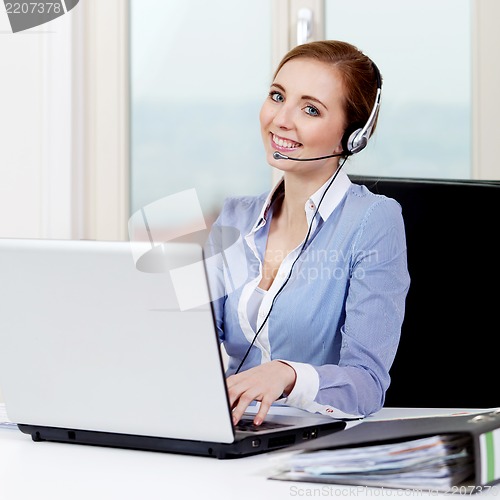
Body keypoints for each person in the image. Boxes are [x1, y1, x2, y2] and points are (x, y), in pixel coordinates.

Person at [204, 40, 410, 427]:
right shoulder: (234, 216)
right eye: (277, 96)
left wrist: (287, 375)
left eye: (310, 109)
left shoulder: (373, 221)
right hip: (230, 427)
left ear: (353, 136)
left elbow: (367, 384)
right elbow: (188, 338)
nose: (281, 119)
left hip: (315, 438)